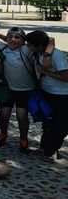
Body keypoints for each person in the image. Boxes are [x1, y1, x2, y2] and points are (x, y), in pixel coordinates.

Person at [25, 30, 68, 162]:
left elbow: (66, 77)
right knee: (47, 122)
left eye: (31, 45)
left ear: (39, 45)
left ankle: (51, 150)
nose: (28, 48)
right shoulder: (39, 53)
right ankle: (46, 147)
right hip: (45, 93)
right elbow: (51, 39)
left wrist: (45, 72)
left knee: (60, 125)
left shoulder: (56, 56)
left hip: (61, 95)